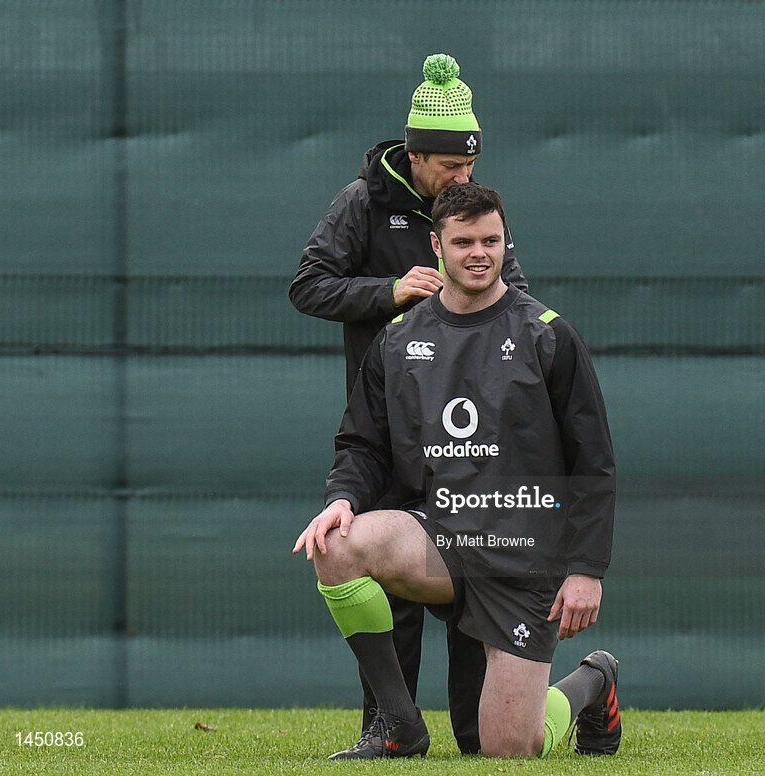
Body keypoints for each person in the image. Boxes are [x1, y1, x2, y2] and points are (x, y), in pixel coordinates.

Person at [293, 183, 620, 759]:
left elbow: (591, 460)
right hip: (442, 539)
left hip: (524, 554)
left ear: (504, 243)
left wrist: (586, 570)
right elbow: (362, 443)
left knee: (501, 748)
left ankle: (593, 682)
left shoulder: (547, 334)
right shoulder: (398, 338)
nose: (479, 253)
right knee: (337, 545)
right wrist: (342, 497)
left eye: (491, 240)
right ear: (435, 245)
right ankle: (399, 722)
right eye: (464, 241)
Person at [288, 54, 528, 754]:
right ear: (415, 154)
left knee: (480, 706)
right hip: (384, 431)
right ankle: (390, 730)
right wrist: (387, 292)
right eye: (450, 167)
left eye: (470, 167)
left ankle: (557, 697)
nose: (463, 179)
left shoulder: (474, 218)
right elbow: (308, 285)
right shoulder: (362, 203)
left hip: (470, 440)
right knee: (383, 586)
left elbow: (522, 304)